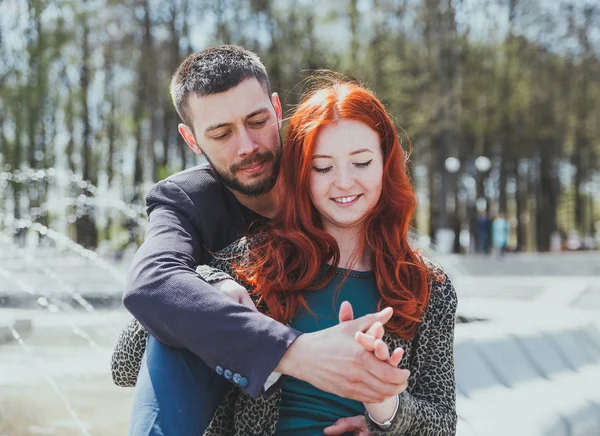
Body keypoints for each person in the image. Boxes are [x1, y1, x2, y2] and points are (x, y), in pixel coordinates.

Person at [115, 78, 458, 435]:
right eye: (323, 167)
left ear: (386, 165)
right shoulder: (256, 261)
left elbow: (443, 423)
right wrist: (209, 280)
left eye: (361, 163)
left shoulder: (427, 286)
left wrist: (383, 404)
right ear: (301, 173)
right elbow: (125, 362)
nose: (343, 182)